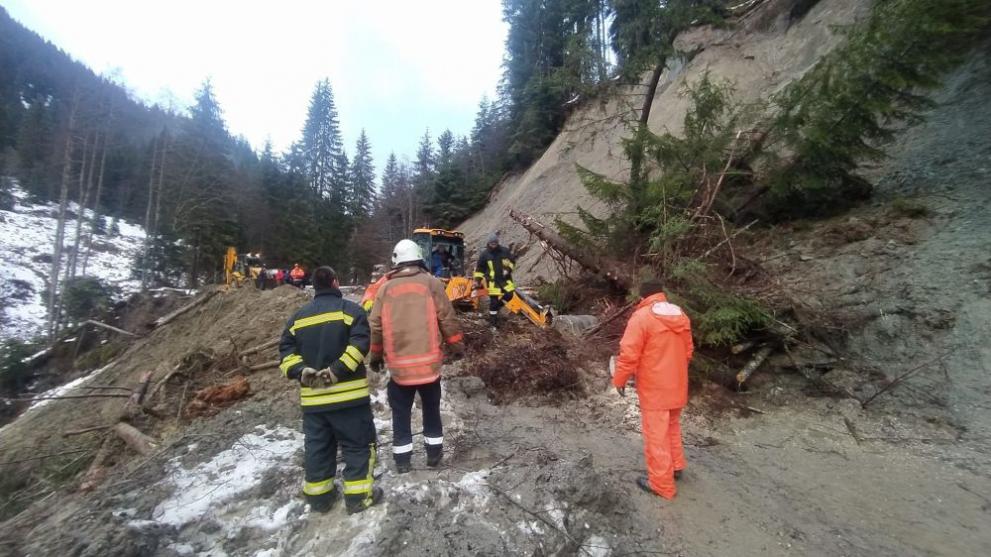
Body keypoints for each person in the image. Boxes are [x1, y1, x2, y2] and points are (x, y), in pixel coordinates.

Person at [278, 266, 382, 514]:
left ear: (313, 286)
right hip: (349, 400)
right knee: (357, 446)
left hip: (314, 403)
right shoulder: (351, 311)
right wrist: (336, 371)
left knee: (318, 448)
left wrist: (302, 371)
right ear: (336, 283)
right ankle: (358, 497)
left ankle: (319, 498)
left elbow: (285, 355)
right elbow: (359, 346)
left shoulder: (298, 318)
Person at [368, 239, 465, 473]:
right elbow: (447, 318)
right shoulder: (432, 283)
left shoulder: (385, 289)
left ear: (396, 261)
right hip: (429, 367)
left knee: (401, 415)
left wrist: (376, 355)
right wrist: (456, 347)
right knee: (431, 411)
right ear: (420, 257)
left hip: (399, 369)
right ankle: (434, 457)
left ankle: (402, 462)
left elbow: (376, 326)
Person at [612, 280, 693, 500]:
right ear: (661, 294)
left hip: (655, 387)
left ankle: (661, 484)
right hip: (677, 384)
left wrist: (619, 379)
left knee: (656, 436)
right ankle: (676, 467)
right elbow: (688, 352)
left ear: (642, 297)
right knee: (672, 427)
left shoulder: (642, 317)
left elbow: (629, 354)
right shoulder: (681, 315)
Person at [474, 233, 516, 326]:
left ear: (498, 243)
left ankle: (497, 307)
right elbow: (480, 269)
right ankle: (493, 323)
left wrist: (508, 270)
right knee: (494, 301)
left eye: (495, 243)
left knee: (510, 295)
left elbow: (512, 261)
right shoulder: (484, 254)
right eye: (492, 243)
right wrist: (477, 280)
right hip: (493, 282)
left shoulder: (504, 251)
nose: (493, 245)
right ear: (488, 243)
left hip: (505, 279)